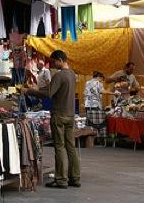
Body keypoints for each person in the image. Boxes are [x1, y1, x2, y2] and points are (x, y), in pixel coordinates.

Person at [24, 50, 80, 188]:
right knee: (71, 147)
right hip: (70, 115)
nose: (53, 65)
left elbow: (49, 93)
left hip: (59, 115)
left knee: (59, 147)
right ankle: (75, 177)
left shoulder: (59, 75)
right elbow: (53, 89)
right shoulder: (72, 74)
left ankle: (61, 179)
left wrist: (29, 91)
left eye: (54, 62)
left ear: (60, 60)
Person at [84, 71, 117, 140]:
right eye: (102, 79)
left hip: (87, 103)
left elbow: (85, 93)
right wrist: (113, 93)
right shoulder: (98, 83)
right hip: (95, 104)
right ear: (99, 77)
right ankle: (97, 137)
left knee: (89, 120)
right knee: (96, 121)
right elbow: (103, 91)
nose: (102, 81)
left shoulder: (87, 82)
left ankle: (89, 136)